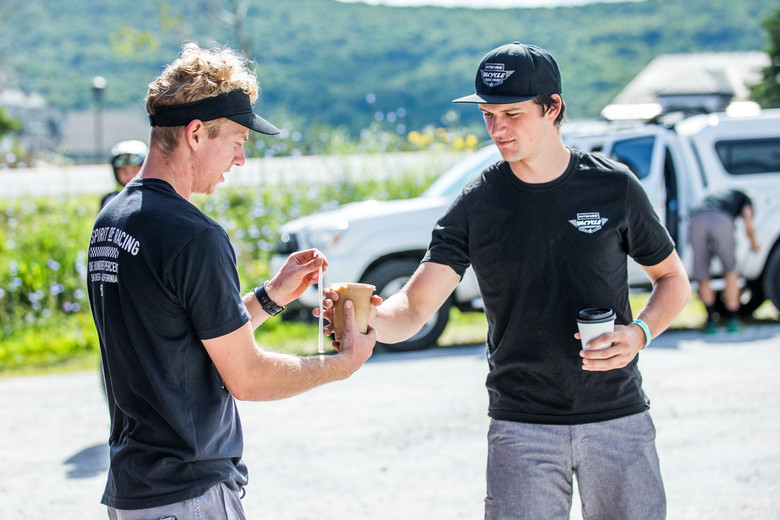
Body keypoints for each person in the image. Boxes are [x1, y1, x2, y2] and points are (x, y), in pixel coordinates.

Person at [324, 42, 691, 519]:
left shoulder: (613, 187)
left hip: (618, 418)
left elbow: (673, 280)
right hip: (522, 428)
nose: (497, 129)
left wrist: (639, 333)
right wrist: (364, 316)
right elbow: (413, 309)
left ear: (552, 107)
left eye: (512, 114)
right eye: (487, 114)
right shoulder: (478, 203)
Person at [87, 43, 376, 519]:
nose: (241, 159)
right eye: (238, 141)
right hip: (188, 492)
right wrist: (341, 365)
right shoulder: (193, 236)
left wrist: (272, 295)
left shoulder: (113, 220)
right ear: (197, 133)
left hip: (134, 487)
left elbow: (181, 334)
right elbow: (247, 376)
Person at [689, 188, 760, 333]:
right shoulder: (745, 198)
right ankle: (733, 320)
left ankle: (710, 322)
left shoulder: (714, 194)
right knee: (730, 271)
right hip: (720, 219)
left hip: (696, 219)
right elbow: (748, 224)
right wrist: (754, 243)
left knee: (702, 272)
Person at [100, 139, 148, 209]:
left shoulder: (151, 196)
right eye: (124, 171)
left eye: (135, 170)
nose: (130, 176)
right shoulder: (110, 200)